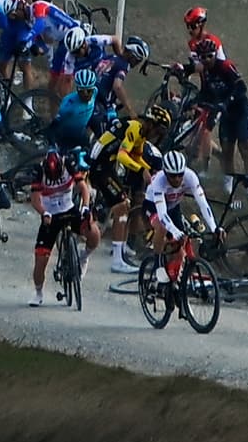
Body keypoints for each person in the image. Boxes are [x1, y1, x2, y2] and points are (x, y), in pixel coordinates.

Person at [90, 105, 171, 272]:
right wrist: (142, 171)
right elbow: (122, 155)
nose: (156, 136)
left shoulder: (141, 134)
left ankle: (119, 252)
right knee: (122, 206)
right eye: (157, 131)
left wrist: (152, 171)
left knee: (124, 205)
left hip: (107, 165)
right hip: (100, 167)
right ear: (151, 124)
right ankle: (117, 261)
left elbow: (137, 157)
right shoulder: (135, 127)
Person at [28, 148, 97, 306]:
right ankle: (38, 292)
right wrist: (43, 212)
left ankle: (83, 258)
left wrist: (85, 207)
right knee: (40, 258)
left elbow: (83, 187)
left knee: (94, 232)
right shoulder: (39, 170)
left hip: (69, 209)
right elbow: (35, 199)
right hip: (50, 215)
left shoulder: (68, 163)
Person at [189, 37, 248, 197]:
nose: (207, 60)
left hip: (240, 110)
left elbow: (241, 87)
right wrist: (193, 101)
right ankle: (228, 184)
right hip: (225, 113)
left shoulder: (225, 66)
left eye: (209, 56)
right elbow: (206, 92)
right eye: (203, 57)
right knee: (227, 149)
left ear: (215, 54)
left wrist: (226, 101)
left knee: (245, 147)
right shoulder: (204, 72)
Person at [143, 150, 217, 279]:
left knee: (182, 242)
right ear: (165, 172)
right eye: (172, 176)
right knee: (162, 227)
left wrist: (214, 228)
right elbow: (162, 214)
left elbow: (203, 204)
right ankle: (157, 264)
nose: (177, 179)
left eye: (180, 175)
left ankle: (177, 276)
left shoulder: (190, 176)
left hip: (173, 207)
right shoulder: (159, 181)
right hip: (152, 205)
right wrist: (174, 230)